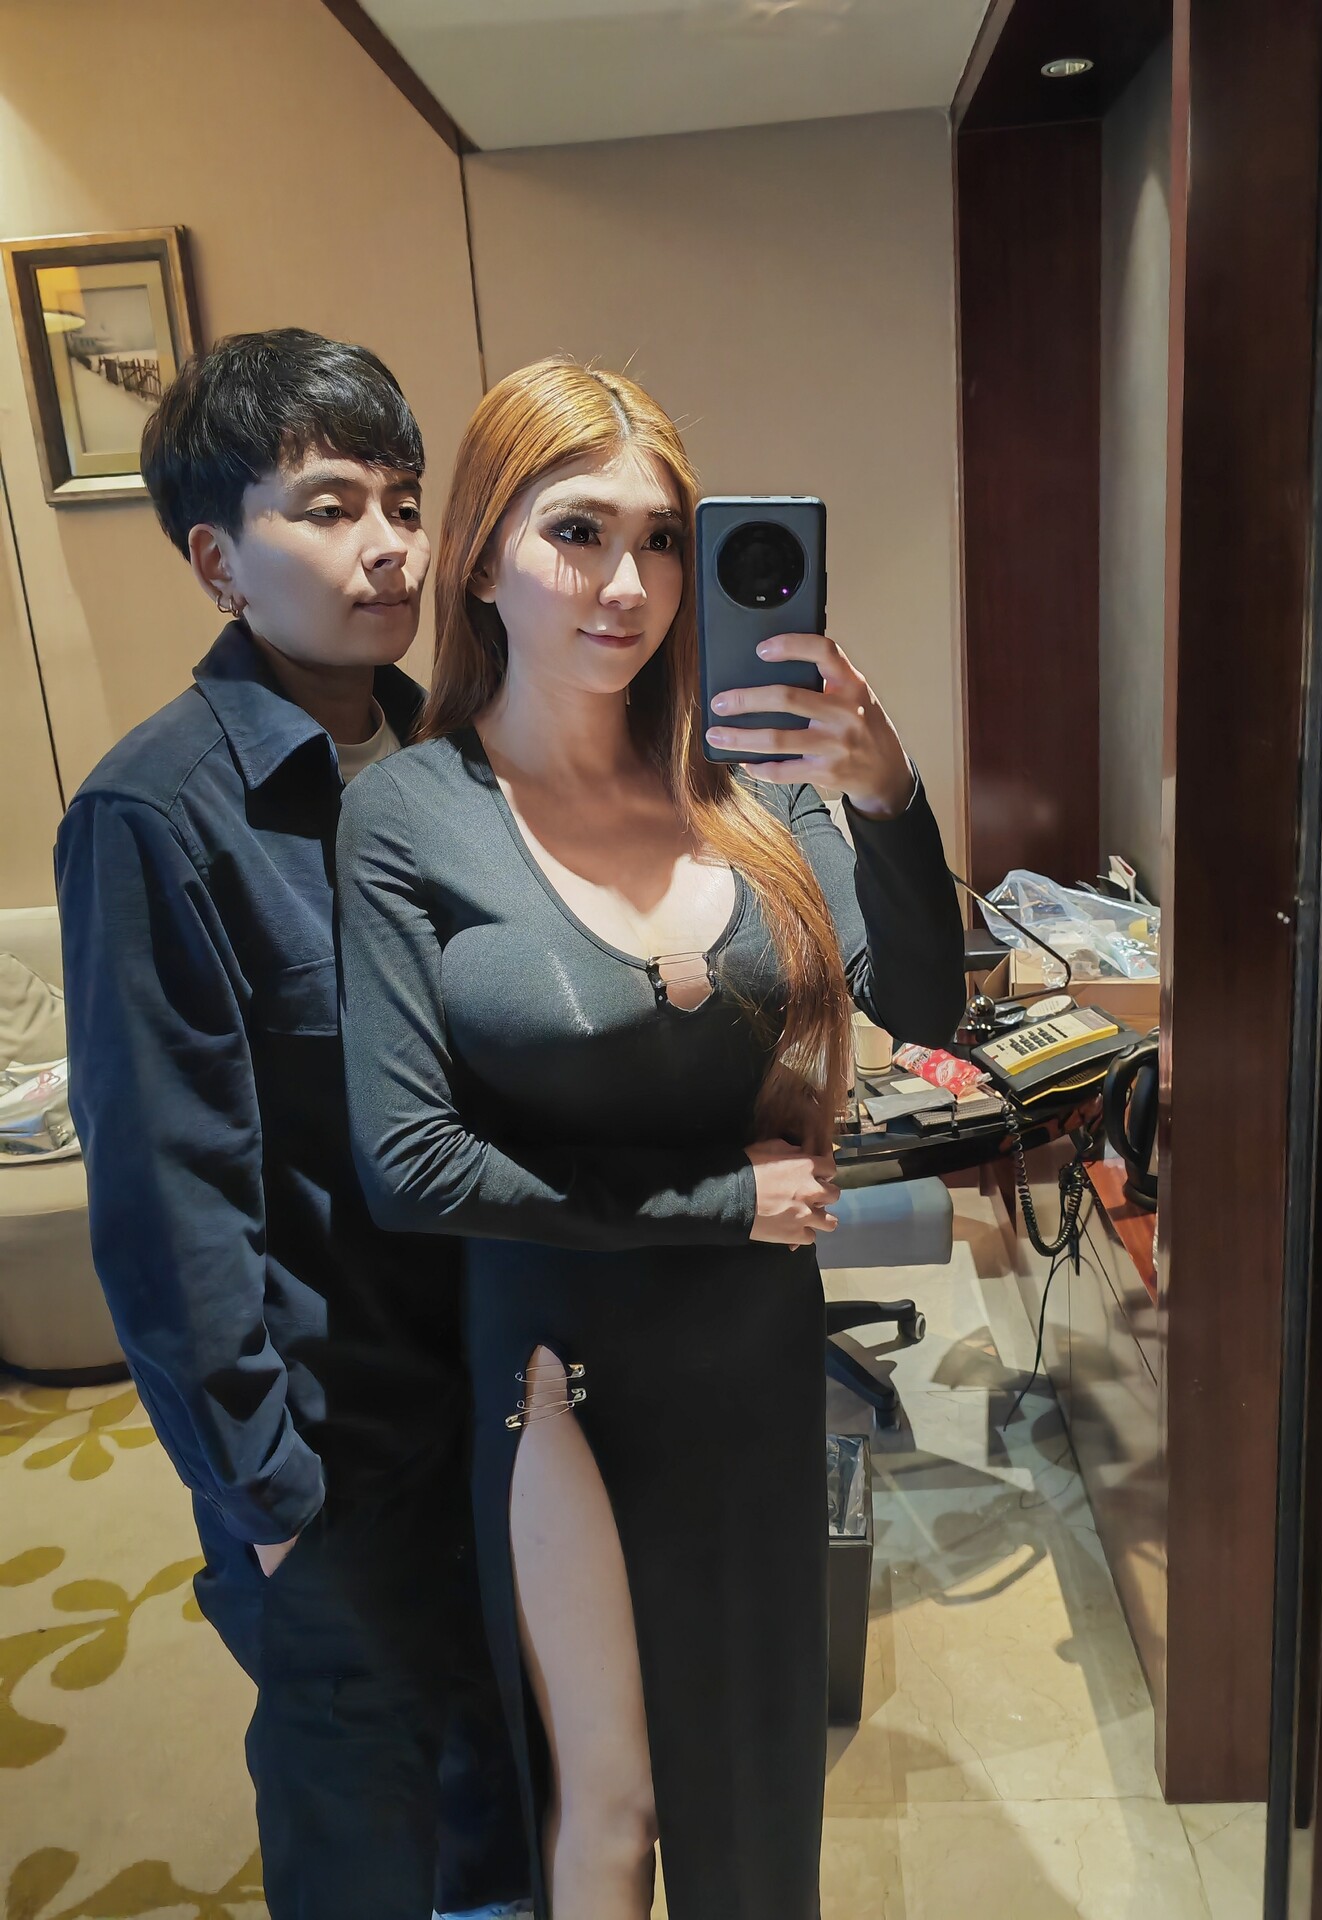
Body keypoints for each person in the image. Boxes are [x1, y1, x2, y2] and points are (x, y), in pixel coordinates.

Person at [335, 356, 966, 1920]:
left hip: (752, 1364)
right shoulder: (416, 815)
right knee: (604, 1815)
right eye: (576, 533)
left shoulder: (751, 788)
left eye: (662, 539)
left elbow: (922, 1004)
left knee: (759, 1801)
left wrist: (888, 794)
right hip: (562, 1368)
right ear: (481, 557)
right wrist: (716, 1204)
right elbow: (411, 1163)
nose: (628, 584)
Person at [55, 329, 529, 1920]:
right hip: (330, 1450)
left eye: (402, 500)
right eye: (328, 507)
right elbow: (167, 1200)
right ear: (217, 562)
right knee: (366, 1826)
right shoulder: (154, 811)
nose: (389, 543)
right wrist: (262, 1497)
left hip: (502, 1397)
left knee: (509, 1793)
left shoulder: (458, 760)